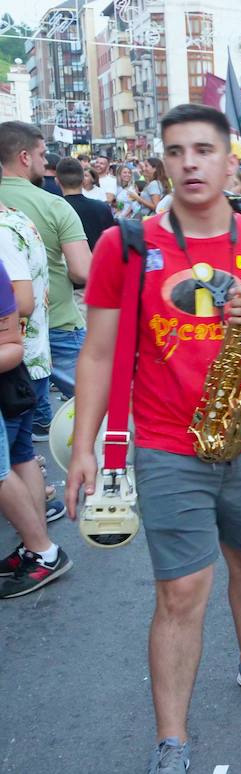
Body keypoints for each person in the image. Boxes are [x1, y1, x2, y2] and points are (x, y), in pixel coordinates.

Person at [66, 103, 241, 774]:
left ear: (231, 161)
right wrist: (86, 447)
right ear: (162, 161)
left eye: (203, 150)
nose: (189, 163)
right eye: (175, 151)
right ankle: (172, 739)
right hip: (169, 446)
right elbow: (96, 354)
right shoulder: (128, 244)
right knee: (180, 592)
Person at [0, 122, 93, 443]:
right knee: (96, 402)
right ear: (24, 157)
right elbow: (83, 270)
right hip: (57, 322)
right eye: (41, 155)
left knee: (18, 439)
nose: (46, 163)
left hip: (7, 332)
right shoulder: (53, 205)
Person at [0, 195, 67, 599]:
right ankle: (37, 547)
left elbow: (15, 327)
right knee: (20, 453)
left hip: (21, 370)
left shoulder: (6, 230)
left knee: (9, 461)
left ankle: (42, 550)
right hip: (28, 363)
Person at [58, 158, 116, 249]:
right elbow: (113, 240)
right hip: (98, 259)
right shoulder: (102, 207)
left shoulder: (55, 209)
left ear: (57, 181)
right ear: (82, 179)